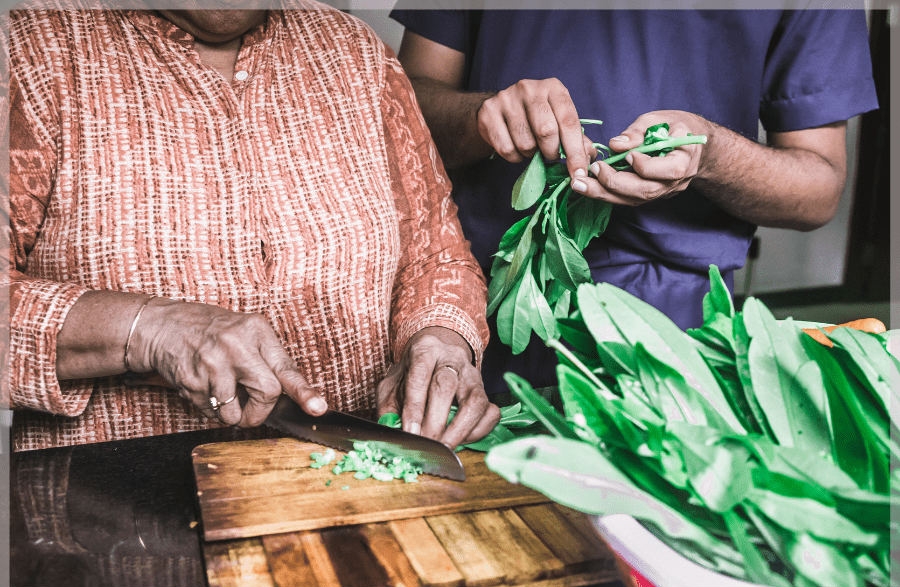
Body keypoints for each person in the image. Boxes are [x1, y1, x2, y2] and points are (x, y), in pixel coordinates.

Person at [6, 4, 502, 452]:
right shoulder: (31, 54)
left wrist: (440, 338)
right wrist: (147, 329)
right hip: (112, 519)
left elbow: (435, 253)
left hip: (356, 494)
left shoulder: (356, 54)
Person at [389, 6, 880, 393]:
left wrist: (711, 153)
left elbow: (818, 190)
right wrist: (483, 116)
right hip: (472, 296)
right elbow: (402, 108)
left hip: (670, 325)